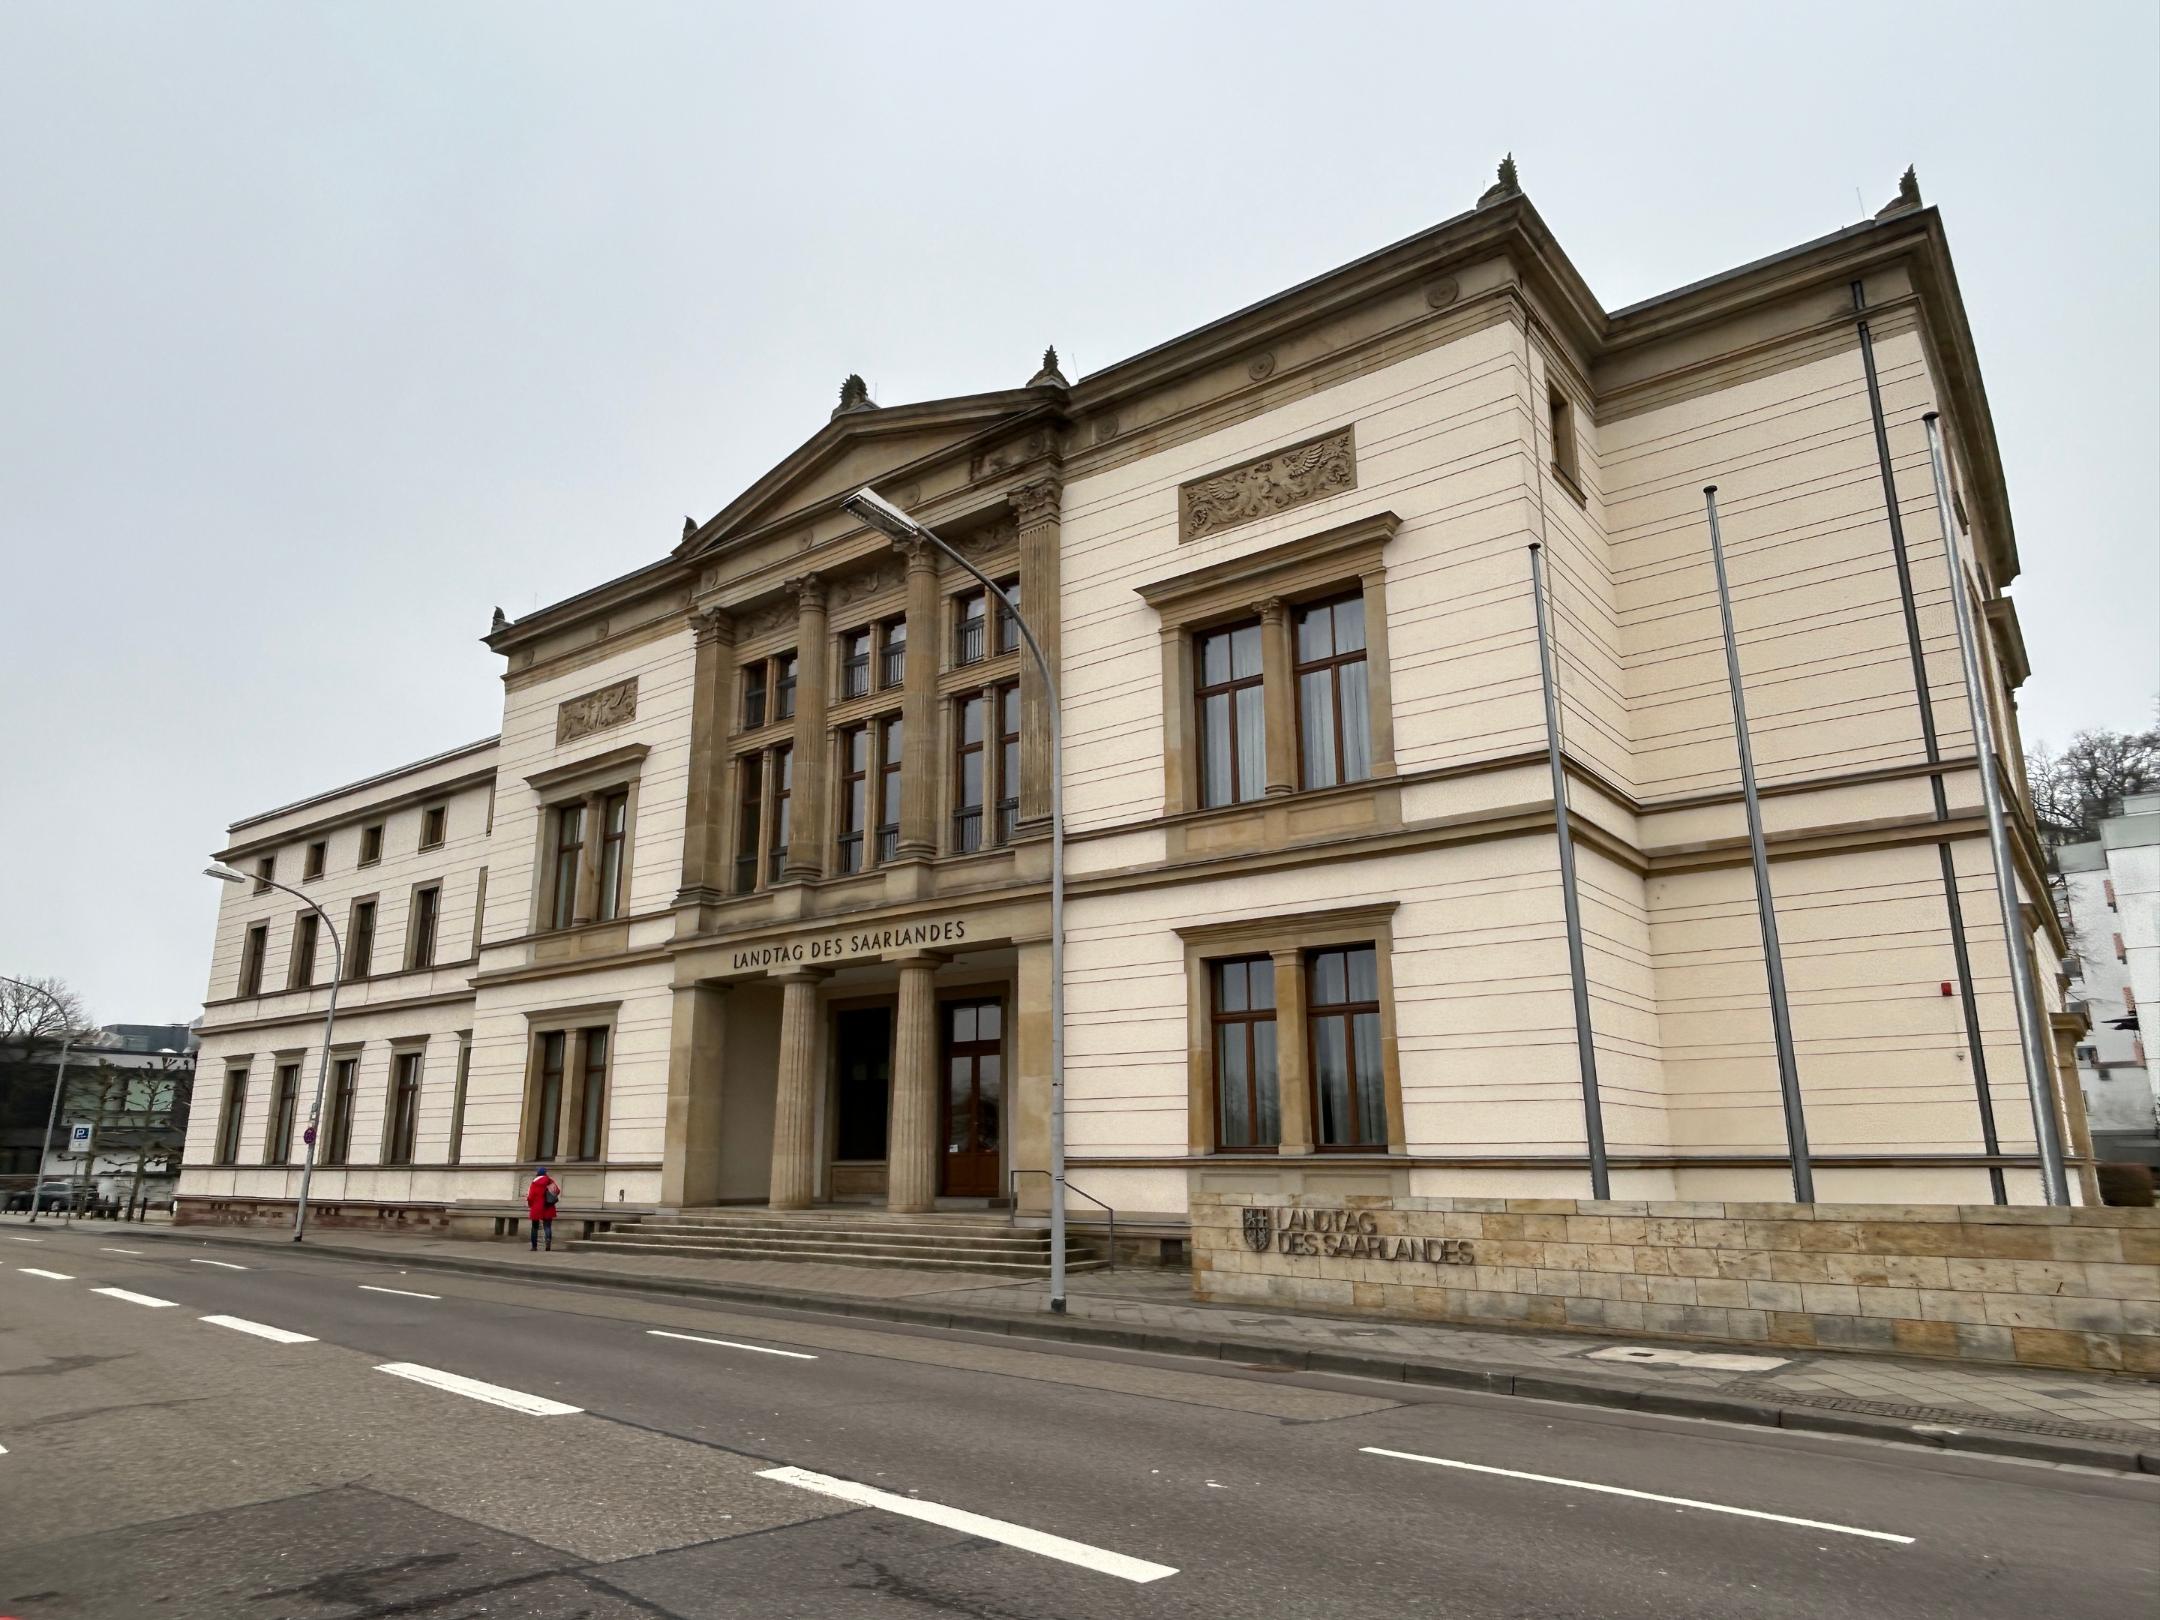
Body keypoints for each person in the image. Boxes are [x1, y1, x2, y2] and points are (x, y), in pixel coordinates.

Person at [526, 1166, 561, 1252]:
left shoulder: (534, 1182)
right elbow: (557, 1191)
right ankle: (548, 1245)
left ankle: (534, 1247)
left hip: (537, 1207)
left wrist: (530, 1205)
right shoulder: (550, 1181)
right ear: (545, 1173)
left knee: (534, 1227)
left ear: (537, 1173)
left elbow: (530, 1197)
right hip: (548, 1206)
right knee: (547, 1226)